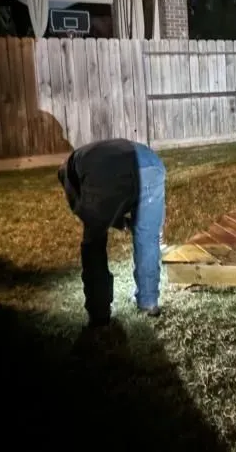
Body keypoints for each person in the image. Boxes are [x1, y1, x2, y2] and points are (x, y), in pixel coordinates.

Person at [57, 139, 167, 327]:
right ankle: (149, 302)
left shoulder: (67, 171)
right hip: (151, 164)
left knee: (94, 242)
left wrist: (110, 222)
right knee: (148, 237)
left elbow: (82, 209)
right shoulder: (92, 152)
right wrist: (126, 223)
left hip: (107, 173)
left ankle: (99, 311)